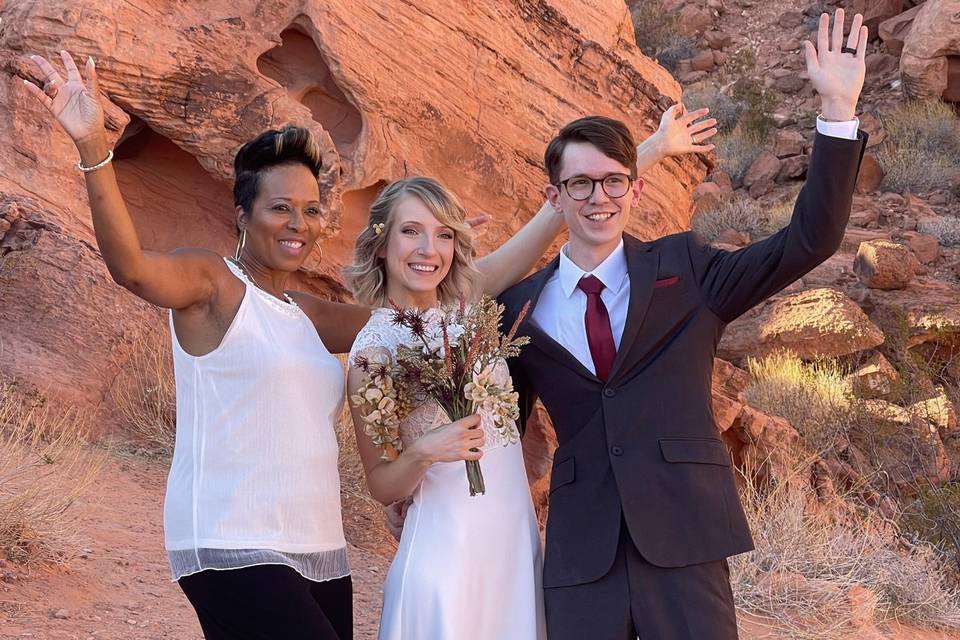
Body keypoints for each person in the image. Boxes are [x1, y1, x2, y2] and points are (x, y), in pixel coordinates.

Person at [20, 51, 555, 639]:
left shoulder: (306, 314)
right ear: (243, 212)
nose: (298, 223)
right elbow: (132, 270)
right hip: (232, 542)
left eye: (310, 210)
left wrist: (439, 253)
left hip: (318, 547)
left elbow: (423, 316)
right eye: (280, 208)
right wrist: (94, 147)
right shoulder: (212, 284)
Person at [497, 9, 869, 640]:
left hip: (685, 542)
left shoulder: (687, 268)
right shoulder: (517, 307)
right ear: (554, 197)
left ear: (635, 192)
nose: (598, 198)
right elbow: (501, 432)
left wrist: (837, 111)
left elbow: (809, 240)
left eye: (614, 181)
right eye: (580, 183)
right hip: (580, 555)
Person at [345, 106, 717, 640]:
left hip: (513, 542)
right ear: (382, 243)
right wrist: (427, 449)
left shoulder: (467, 307)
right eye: (411, 232)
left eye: (443, 235)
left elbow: (558, 214)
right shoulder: (372, 353)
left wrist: (650, 151)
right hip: (447, 550)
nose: (429, 251)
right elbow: (382, 485)